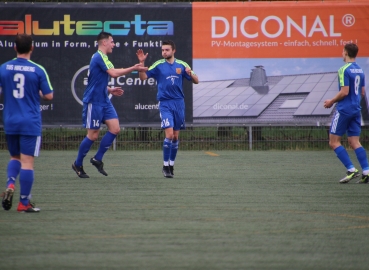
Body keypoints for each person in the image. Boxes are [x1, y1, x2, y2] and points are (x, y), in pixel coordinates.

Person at [72, 31, 147, 178]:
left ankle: (97, 159)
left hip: (104, 99)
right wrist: (134, 68)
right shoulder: (98, 56)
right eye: (112, 41)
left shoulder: (104, 58)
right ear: (104, 42)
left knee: (115, 129)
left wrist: (109, 89)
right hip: (93, 101)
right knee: (93, 135)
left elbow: (98, 80)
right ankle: (78, 164)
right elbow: (113, 73)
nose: (114, 44)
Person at [0, 34, 53, 212]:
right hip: (29, 121)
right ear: (32, 47)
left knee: (14, 157)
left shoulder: (4, 68)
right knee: (27, 162)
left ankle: (10, 184)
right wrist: (36, 91)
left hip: (10, 121)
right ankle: (23, 203)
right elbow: (49, 95)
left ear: (15, 48)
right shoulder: (38, 70)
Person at [136, 40, 199, 178]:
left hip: (179, 104)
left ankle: (171, 165)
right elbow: (143, 77)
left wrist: (190, 73)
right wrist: (141, 63)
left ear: (173, 50)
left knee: (175, 137)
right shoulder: (158, 65)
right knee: (169, 135)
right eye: (163, 50)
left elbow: (196, 80)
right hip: (165, 103)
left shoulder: (182, 65)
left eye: (167, 50)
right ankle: (165, 166)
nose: (164, 52)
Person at [324, 43, 369, 184]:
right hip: (356, 110)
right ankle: (366, 171)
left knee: (333, 142)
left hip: (344, 110)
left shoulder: (344, 69)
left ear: (345, 53)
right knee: (354, 142)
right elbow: (362, 92)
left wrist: (331, 101)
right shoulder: (360, 70)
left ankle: (351, 169)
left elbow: (344, 92)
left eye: (342, 51)